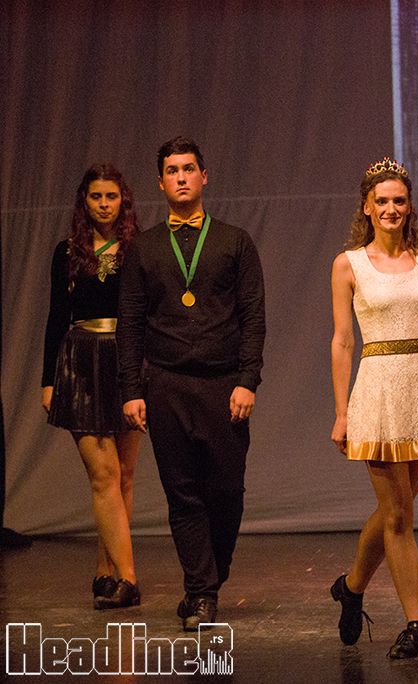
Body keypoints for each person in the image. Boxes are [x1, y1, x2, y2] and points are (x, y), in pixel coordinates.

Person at [117, 136, 266, 630]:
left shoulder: (235, 242)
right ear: (161, 183)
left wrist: (247, 380)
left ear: (204, 176)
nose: (180, 177)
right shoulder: (143, 248)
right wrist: (132, 389)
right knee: (182, 493)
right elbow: (130, 323)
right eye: (172, 171)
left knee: (227, 491)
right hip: (165, 384)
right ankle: (201, 592)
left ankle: (211, 577)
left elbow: (253, 317)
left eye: (188, 169)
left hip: (224, 385)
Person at [330, 157, 418, 659]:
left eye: (399, 200)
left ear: (409, 206)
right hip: (380, 391)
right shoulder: (349, 264)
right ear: (367, 207)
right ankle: (416, 623)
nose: (391, 209)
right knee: (400, 517)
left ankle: (351, 586)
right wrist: (342, 412)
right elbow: (343, 341)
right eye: (382, 201)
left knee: (397, 510)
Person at [42, 164, 142, 609]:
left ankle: (106, 571)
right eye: (97, 196)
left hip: (126, 362)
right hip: (81, 363)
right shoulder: (67, 252)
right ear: (85, 201)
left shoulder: (137, 250)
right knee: (103, 475)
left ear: (124, 201)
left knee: (123, 476)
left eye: (112, 197)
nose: (104, 204)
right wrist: (48, 380)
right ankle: (129, 579)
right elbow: (55, 317)